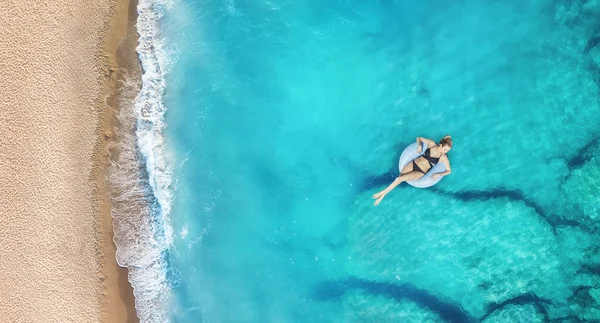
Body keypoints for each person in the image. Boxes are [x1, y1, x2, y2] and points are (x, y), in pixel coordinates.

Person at [372, 135, 453, 206]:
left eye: (447, 151)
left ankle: (382, 194)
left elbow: (449, 171)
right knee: (400, 177)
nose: (445, 152)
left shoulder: (443, 157)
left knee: (398, 179)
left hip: (420, 172)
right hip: (413, 163)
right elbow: (419, 138)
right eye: (445, 149)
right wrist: (419, 145)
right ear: (441, 145)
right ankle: (382, 195)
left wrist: (438, 174)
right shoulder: (432, 144)